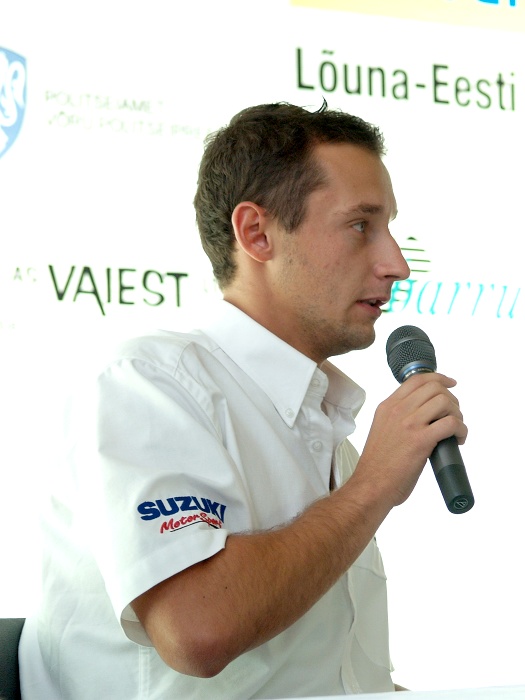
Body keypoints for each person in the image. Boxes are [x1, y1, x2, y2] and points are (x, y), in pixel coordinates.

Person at [19, 102, 467, 699]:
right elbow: (196, 631)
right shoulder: (145, 383)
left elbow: (328, 680)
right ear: (257, 233)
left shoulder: (327, 428)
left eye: (389, 229)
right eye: (362, 226)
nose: (398, 265)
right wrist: (373, 486)